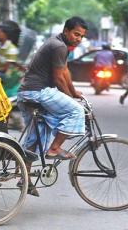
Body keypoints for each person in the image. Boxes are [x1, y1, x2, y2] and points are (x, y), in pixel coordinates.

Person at [17, 17, 88, 195]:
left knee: (37, 136)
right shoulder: (59, 46)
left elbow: (64, 72)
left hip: (28, 92)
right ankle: (55, 148)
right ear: (66, 31)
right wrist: (70, 99)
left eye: (81, 36)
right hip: (37, 91)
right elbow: (58, 78)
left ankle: (24, 178)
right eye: (76, 34)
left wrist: (73, 92)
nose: (78, 39)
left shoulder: (60, 45)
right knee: (76, 110)